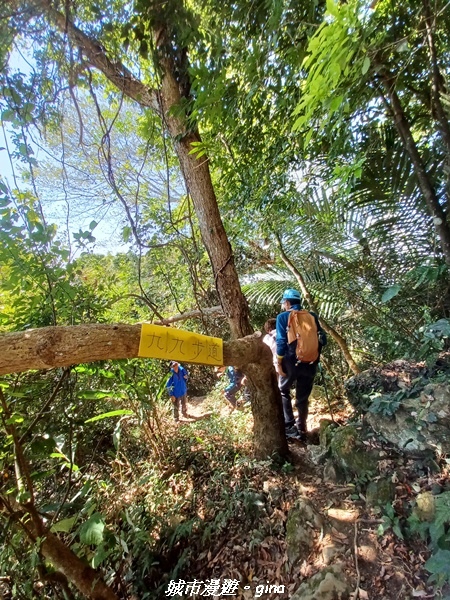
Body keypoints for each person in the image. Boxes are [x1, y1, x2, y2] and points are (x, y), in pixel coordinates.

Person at [276, 289, 327, 440]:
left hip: (291, 362)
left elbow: (281, 342)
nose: (284, 306)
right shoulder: (312, 316)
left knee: (283, 390)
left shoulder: (283, 317)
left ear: (287, 302)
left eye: (284, 303)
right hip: (311, 362)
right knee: (302, 397)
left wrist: (279, 362)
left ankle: (290, 426)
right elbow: (323, 339)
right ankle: (302, 427)